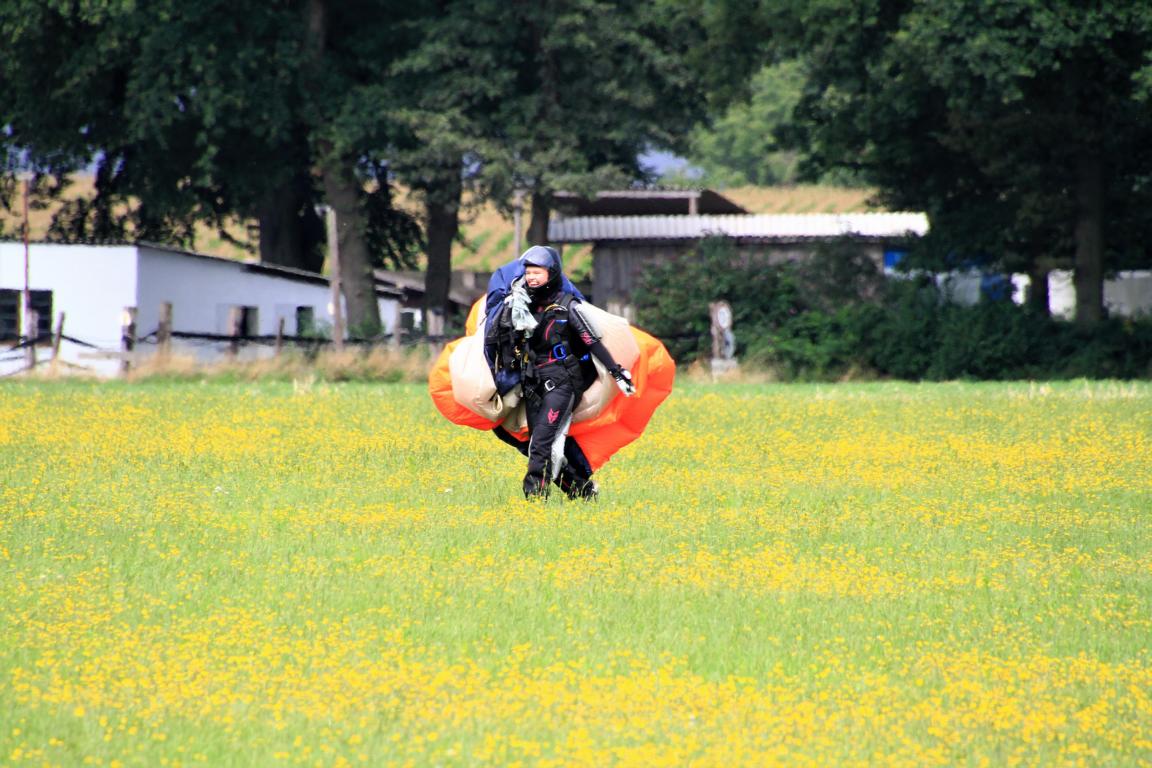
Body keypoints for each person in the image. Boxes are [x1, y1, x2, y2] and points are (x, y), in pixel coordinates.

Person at [485, 245, 635, 500]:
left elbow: (591, 341)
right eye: (528, 272)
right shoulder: (521, 305)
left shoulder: (568, 306)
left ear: (551, 273)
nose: (532, 277)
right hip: (533, 381)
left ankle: (534, 499)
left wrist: (616, 371)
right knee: (537, 445)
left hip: (563, 382)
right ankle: (582, 491)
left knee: (541, 443)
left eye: (538, 272)